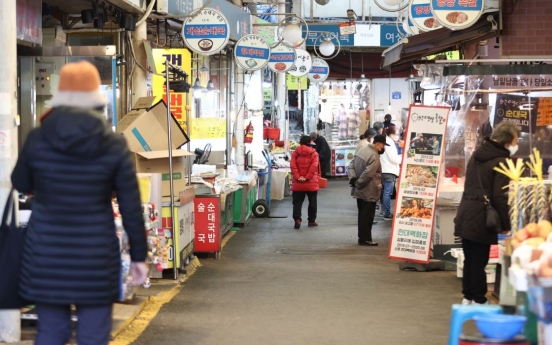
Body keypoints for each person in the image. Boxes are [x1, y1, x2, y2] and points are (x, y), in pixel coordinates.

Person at [11, 61, 148, 345]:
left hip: (46, 252)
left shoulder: (38, 138)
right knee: (93, 335)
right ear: (96, 97)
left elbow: (20, 183)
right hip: (95, 255)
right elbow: (131, 205)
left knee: (51, 332)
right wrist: (138, 257)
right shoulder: (113, 143)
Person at [454, 122, 520, 305]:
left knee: (470, 258)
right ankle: (479, 299)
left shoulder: (477, 155)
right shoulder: (502, 161)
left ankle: (467, 297)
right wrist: (506, 224)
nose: (516, 144)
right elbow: (499, 196)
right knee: (479, 260)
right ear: (507, 141)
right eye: (515, 140)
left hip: (467, 211)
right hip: (483, 216)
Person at [348, 134, 389, 246]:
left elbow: (351, 165)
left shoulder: (362, 151)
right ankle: (365, 239)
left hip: (359, 190)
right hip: (369, 189)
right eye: (383, 146)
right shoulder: (374, 156)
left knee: (362, 215)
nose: (383, 148)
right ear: (379, 144)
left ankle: (362, 238)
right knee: (367, 216)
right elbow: (369, 173)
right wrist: (359, 182)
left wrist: (353, 179)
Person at [290, 135, 320, 229]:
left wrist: (298, 177)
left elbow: (293, 166)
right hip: (311, 182)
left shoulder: (296, 153)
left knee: (297, 202)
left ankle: (297, 220)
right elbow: (313, 167)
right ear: (309, 143)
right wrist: (307, 178)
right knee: (312, 202)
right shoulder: (314, 153)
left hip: (298, 183)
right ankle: (311, 221)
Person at [379, 125, 402, 220]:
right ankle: (387, 213)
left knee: (385, 192)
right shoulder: (389, 143)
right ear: (391, 134)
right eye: (395, 134)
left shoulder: (386, 141)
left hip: (385, 170)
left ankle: (384, 211)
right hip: (389, 171)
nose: (397, 136)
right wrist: (401, 158)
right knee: (387, 193)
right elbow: (394, 159)